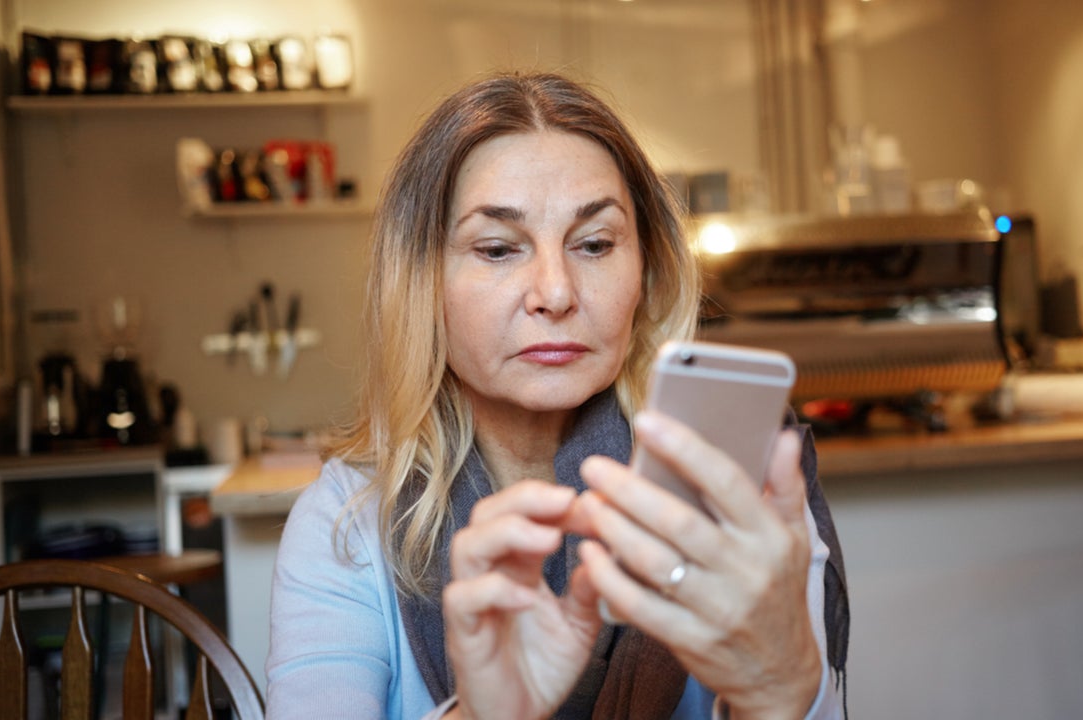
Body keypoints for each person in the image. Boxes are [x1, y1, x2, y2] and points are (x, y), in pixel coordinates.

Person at [266, 71, 849, 720]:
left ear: (648, 273)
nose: (556, 291)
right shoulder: (345, 525)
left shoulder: (739, 492)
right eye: (496, 249)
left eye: (595, 244)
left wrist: (784, 690)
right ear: (421, 283)